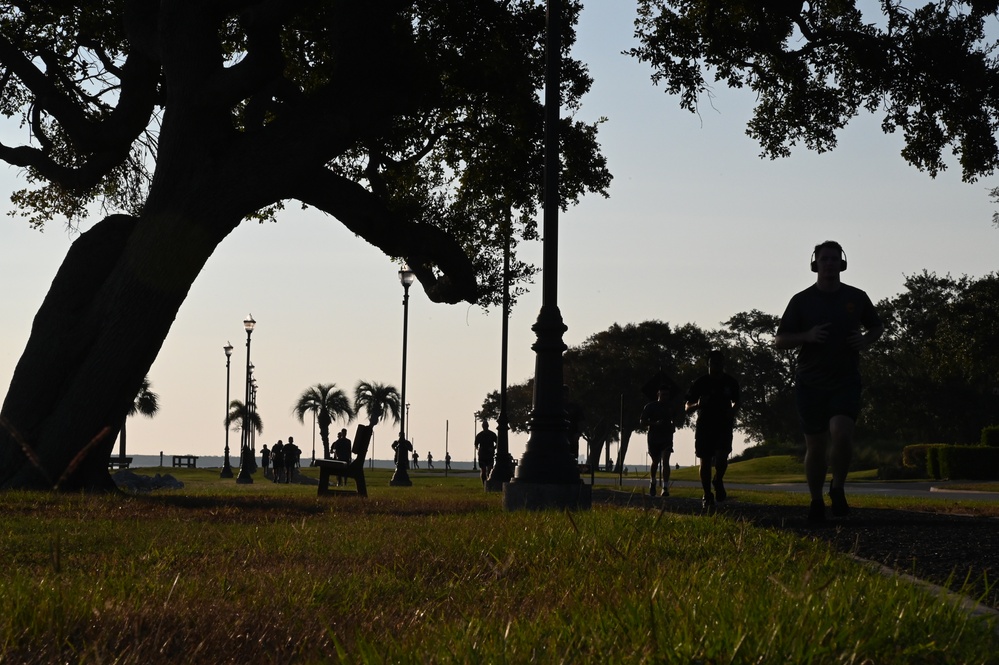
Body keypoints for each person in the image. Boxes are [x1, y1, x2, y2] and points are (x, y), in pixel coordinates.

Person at [775, 240, 884, 523]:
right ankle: (815, 499)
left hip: (845, 379)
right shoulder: (801, 301)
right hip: (810, 381)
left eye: (834, 259)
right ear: (815, 264)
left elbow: (877, 326)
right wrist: (807, 336)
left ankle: (837, 487)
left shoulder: (857, 297)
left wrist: (865, 339)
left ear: (842, 263)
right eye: (824, 259)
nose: (829, 264)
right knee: (816, 446)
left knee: (842, 433)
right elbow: (780, 340)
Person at [685, 350, 741, 510]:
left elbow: (737, 401)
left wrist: (733, 411)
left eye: (720, 363)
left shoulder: (731, 382)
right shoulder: (700, 383)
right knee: (705, 460)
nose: (717, 366)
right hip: (705, 425)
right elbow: (687, 407)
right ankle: (707, 494)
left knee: (722, 458)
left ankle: (718, 480)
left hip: (723, 424)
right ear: (708, 364)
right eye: (714, 363)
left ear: (723, 364)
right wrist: (698, 404)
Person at [639, 384, 680, 497]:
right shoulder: (650, 407)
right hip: (654, 437)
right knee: (655, 461)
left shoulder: (671, 406)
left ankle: (665, 487)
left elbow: (674, 418)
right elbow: (642, 421)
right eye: (663, 394)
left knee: (666, 460)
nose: (665, 397)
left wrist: (673, 426)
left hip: (667, 437)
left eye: (667, 395)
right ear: (658, 394)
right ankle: (652, 482)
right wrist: (654, 424)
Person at [474, 420, 498, 484]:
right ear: (482, 426)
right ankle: (484, 483)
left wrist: (493, 448)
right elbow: (476, 444)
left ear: (488, 426)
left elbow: (498, 443)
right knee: (483, 470)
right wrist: (478, 449)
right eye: (484, 426)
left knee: (490, 470)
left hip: (490, 455)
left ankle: (489, 482)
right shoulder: (479, 435)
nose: (485, 427)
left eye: (486, 425)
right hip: (482, 455)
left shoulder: (492, 434)